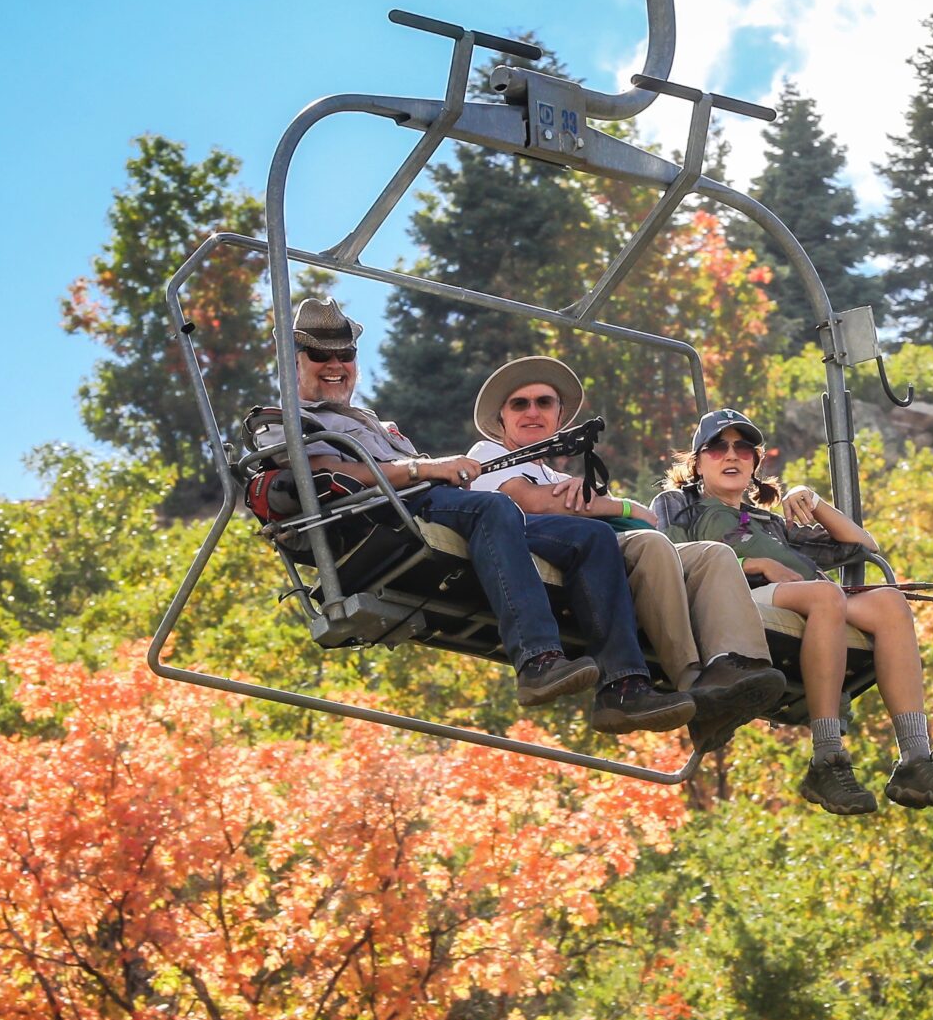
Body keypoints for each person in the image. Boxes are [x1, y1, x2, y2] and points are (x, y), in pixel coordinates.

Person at [280, 296, 692, 734]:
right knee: (494, 506)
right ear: (294, 361)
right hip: (388, 513)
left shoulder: (372, 423)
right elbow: (320, 473)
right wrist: (425, 467)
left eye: (344, 355)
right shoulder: (286, 419)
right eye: (320, 355)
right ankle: (536, 658)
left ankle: (623, 687)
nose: (335, 364)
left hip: (430, 498)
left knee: (591, 538)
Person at [655, 409, 933, 816]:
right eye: (717, 447)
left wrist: (811, 498)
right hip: (731, 599)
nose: (731, 455)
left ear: (755, 463)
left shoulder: (771, 525)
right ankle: (827, 757)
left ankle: (916, 758)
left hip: (804, 599)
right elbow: (667, 561)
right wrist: (755, 566)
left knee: (890, 603)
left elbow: (863, 544)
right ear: (697, 462)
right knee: (825, 596)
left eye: (743, 448)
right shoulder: (680, 505)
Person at [464, 356, 790, 752]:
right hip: (537, 542)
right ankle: (692, 684)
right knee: (652, 545)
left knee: (712, 555)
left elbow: (635, 517)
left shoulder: (561, 477)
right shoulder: (488, 453)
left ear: (559, 415)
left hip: (594, 542)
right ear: (501, 419)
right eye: (520, 404)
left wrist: (603, 505)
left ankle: (736, 666)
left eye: (544, 403)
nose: (533, 412)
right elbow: (533, 503)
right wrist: (621, 507)